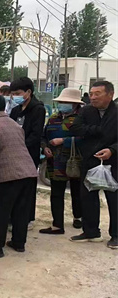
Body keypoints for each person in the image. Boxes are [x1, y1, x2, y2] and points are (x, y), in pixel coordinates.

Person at [0, 95, 38, 257]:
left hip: (8, 175)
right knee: (21, 210)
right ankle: (19, 243)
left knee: (1, 211)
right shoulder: (15, 124)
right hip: (29, 171)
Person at [69, 81, 117, 249]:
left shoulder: (116, 112)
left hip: (113, 162)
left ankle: (116, 235)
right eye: (91, 94)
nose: (93, 97)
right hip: (90, 159)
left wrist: (112, 150)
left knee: (114, 199)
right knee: (88, 196)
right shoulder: (86, 111)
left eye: (97, 94)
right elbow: (75, 128)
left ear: (110, 95)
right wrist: (95, 129)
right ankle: (91, 232)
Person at [39, 88, 83, 235]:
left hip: (75, 161)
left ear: (75, 104)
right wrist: (45, 147)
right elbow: (44, 136)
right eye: (62, 102)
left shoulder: (82, 118)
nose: (63, 104)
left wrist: (64, 140)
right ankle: (57, 224)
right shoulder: (53, 117)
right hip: (55, 162)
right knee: (56, 193)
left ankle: (78, 217)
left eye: (66, 102)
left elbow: (86, 138)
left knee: (77, 191)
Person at [9, 77, 46, 229]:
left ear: (28, 92)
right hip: (13, 154)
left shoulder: (38, 109)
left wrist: (21, 146)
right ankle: (13, 216)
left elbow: (36, 135)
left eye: (18, 93)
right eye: (13, 94)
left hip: (29, 154)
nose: (15, 96)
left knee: (28, 187)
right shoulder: (15, 110)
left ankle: (27, 218)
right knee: (14, 187)